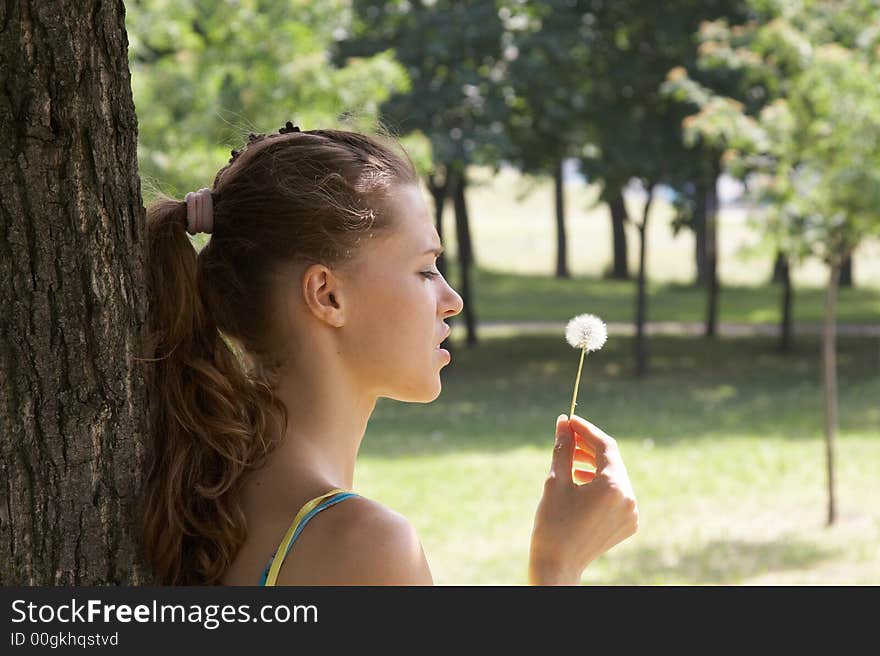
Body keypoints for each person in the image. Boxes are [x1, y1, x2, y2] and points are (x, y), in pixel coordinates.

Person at [139, 123, 638, 586]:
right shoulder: (364, 546)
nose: (452, 300)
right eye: (425, 270)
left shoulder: (208, 488)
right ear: (327, 295)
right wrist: (557, 564)